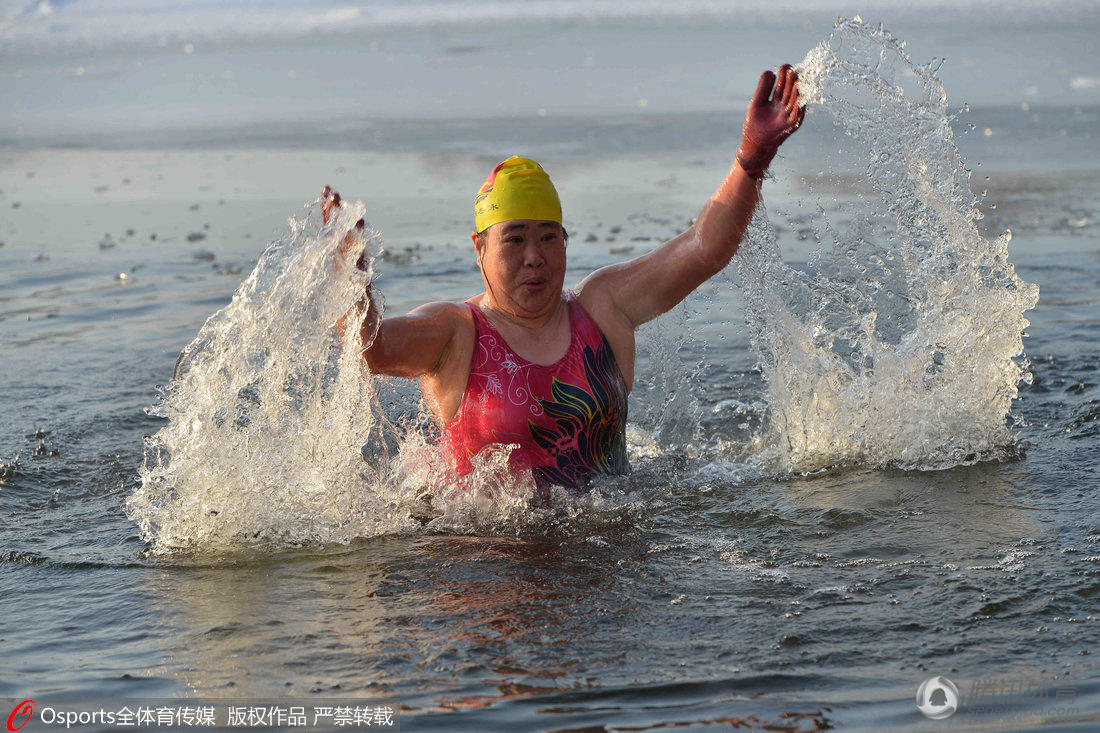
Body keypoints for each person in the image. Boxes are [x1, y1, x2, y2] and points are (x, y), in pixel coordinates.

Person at [327, 65, 805, 496]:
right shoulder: (457, 332)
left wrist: (751, 159)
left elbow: (702, 249)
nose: (534, 258)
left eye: (548, 238)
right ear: (480, 249)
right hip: (485, 569)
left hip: (603, 563)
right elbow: (375, 349)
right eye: (514, 240)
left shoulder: (602, 308)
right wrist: (353, 281)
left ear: (565, 240)